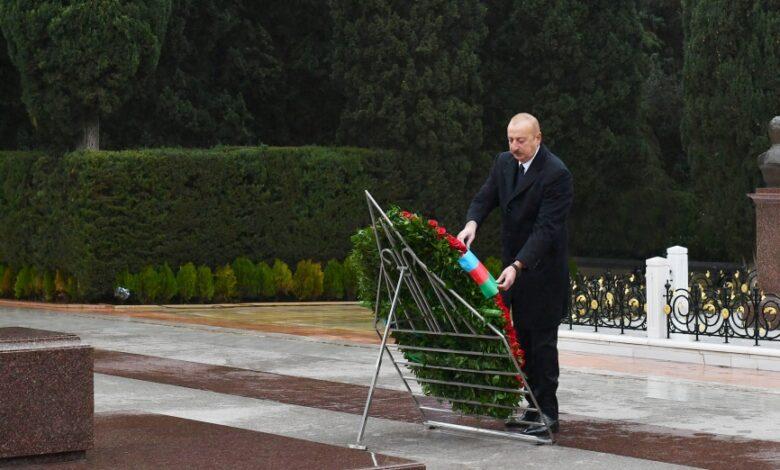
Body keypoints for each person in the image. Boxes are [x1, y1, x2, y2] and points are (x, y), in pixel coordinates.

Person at [457, 113, 573, 436]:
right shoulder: (504, 163)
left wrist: (518, 265)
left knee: (542, 344)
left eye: (521, 140)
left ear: (538, 138)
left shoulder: (556, 174)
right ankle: (531, 407)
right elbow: (485, 197)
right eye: (510, 139)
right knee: (519, 341)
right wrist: (472, 224)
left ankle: (548, 414)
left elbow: (546, 230)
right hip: (514, 269)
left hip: (541, 271)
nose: (514, 146)